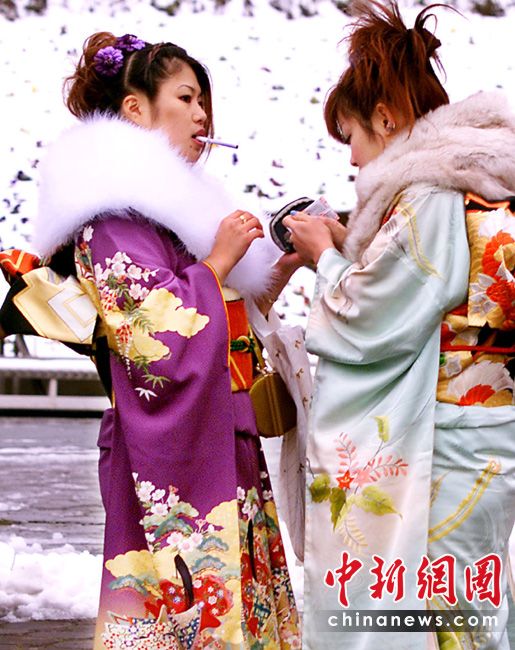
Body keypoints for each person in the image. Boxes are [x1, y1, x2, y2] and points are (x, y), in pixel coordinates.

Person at [29, 32, 301, 650]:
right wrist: (218, 263)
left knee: (237, 604)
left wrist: (272, 271)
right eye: (186, 97)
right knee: (187, 603)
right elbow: (152, 330)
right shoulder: (110, 217)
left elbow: (218, 318)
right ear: (135, 109)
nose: (202, 114)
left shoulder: (164, 220)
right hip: (170, 452)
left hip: (220, 435)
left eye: (204, 100)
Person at [283, 2, 515, 648]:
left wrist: (323, 258)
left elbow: (373, 315)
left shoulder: (429, 192)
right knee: (469, 595)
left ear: (386, 120)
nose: (353, 161)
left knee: (451, 605)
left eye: (352, 138)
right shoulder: (470, 177)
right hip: (482, 419)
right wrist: (351, 248)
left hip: (454, 430)